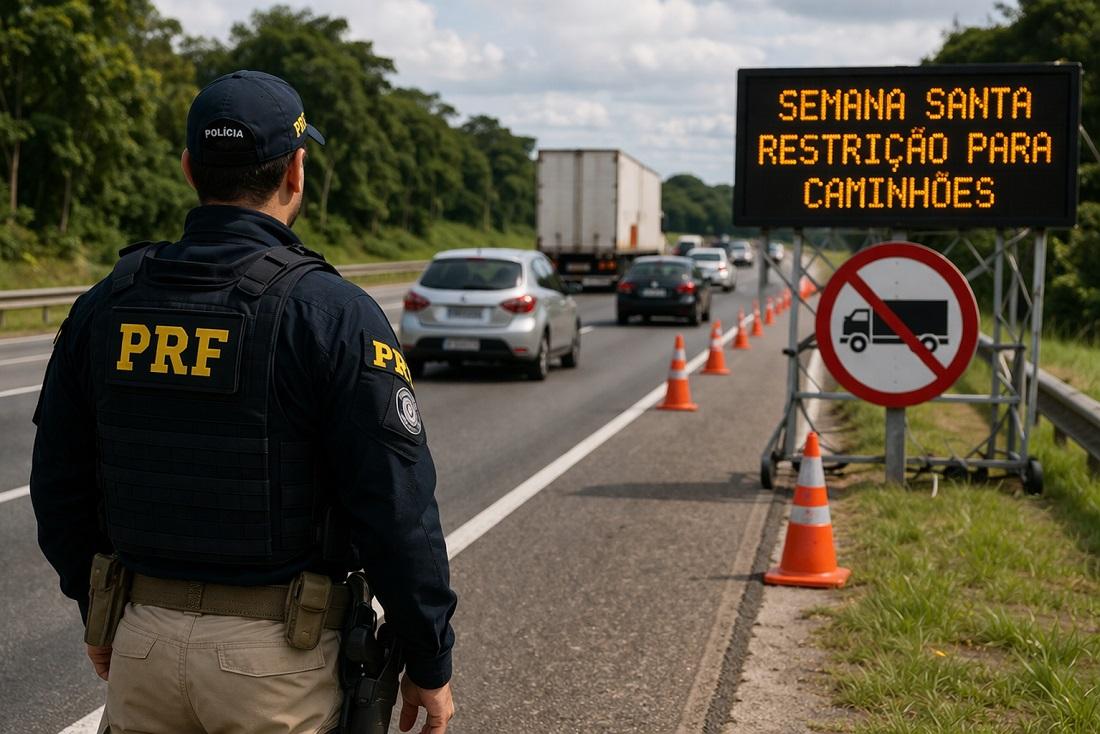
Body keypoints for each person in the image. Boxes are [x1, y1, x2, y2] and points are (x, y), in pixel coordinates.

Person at [30, 70, 456, 734]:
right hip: (280, 662)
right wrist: (429, 658)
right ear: (296, 172)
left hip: (141, 640)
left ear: (188, 169)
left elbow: (58, 485)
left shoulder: (105, 305)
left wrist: (100, 610)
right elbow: (397, 511)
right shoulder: (331, 312)